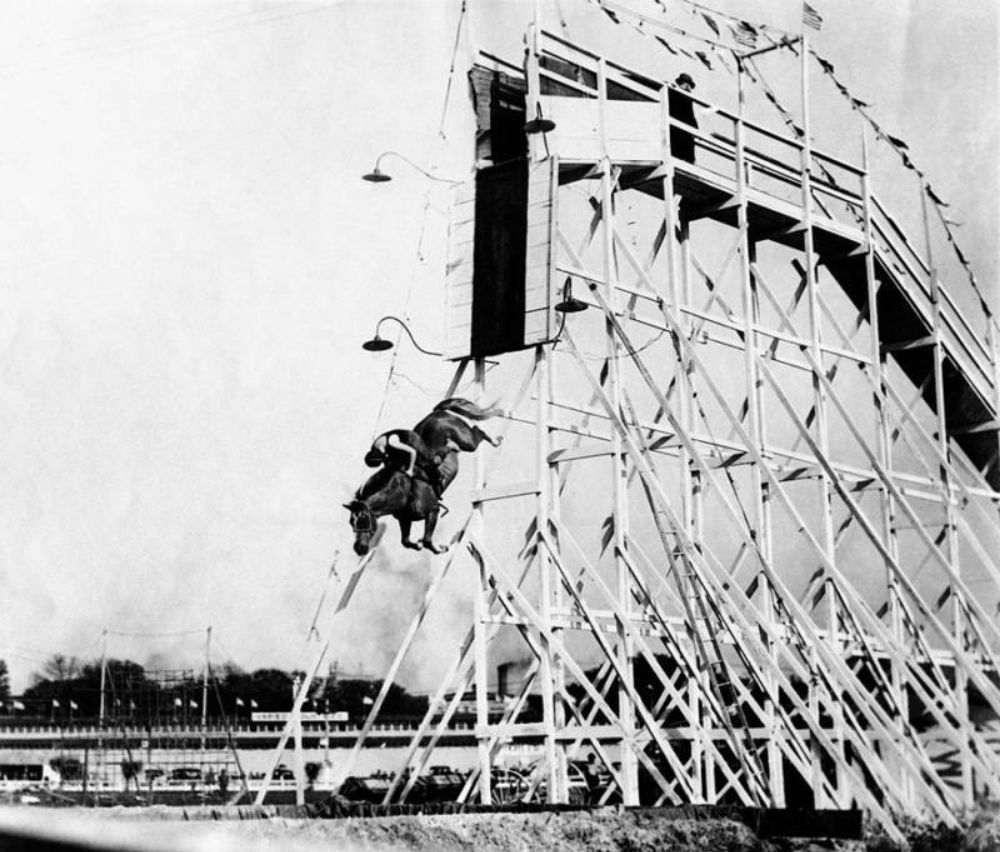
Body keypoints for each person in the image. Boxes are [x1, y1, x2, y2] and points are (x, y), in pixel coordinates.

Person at [365, 428, 444, 495]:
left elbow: (413, 452)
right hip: (398, 445)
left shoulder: (392, 443)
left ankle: (439, 475)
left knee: (429, 461)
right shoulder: (375, 447)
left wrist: (410, 469)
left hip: (411, 439)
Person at [668, 73, 698, 164]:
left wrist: (695, 128)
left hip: (685, 129)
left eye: (689, 85)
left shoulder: (688, 98)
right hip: (675, 127)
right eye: (685, 84)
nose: (687, 87)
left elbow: (690, 115)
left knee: (687, 152)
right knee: (676, 149)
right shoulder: (674, 93)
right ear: (680, 84)